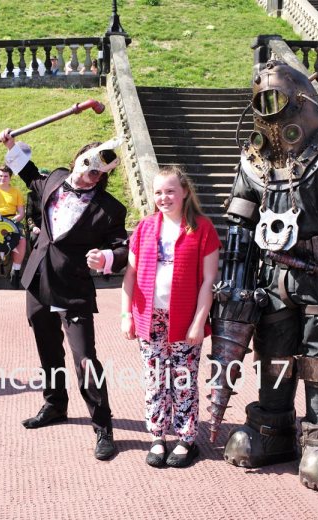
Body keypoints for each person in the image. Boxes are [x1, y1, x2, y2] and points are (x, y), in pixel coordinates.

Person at [215, 60, 318, 492]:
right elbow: (239, 224)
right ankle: (272, 426)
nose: (272, 109)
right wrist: (235, 281)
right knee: (274, 352)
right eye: (262, 100)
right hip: (272, 278)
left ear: (301, 97)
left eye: (278, 97)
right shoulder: (253, 160)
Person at [0, 128, 128, 461]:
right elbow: (29, 175)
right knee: (48, 350)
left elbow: (121, 248)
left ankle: (102, 425)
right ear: (76, 162)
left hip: (73, 287)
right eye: (87, 167)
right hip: (39, 279)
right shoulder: (54, 179)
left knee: (86, 358)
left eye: (97, 173)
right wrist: (11, 146)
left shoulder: (111, 209)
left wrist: (107, 258)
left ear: (103, 177)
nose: (89, 176)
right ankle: (55, 404)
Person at [121, 166, 220, 468]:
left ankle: (186, 439)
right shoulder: (145, 228)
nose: (164, 197)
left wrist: (198, 322)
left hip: (184, 320)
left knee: (182, 380)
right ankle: (157, 436)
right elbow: (131, 274)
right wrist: (126, 313)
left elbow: (208, 282)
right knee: (154, 380)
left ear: (185, 192)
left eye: (170, 191)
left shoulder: (202, 229)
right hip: (149, 318)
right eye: (159, 192)